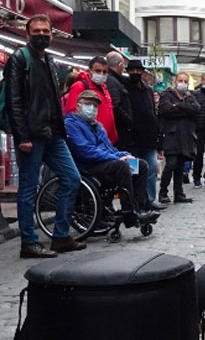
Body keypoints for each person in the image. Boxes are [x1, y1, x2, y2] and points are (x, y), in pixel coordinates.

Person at [6, 14, 84, 258]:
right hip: (31, 134)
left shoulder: (50, 61)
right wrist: (22, 136)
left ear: (52, 34)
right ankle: (28, 242)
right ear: (28, 34)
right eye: (37, 30)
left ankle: (60, 235)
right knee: (28, 188)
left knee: (72, 178)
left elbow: (52, 98)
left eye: (46, 31)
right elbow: (14, 100)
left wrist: (61, 130)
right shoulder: (20, 58)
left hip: (53, 134)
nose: (42, 35)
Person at [65, 90, 159, 226]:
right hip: (87, 166)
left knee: (140, 165)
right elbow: (85, 151)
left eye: (95, 106)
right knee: (121, 166)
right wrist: (115, 159)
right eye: (88, 104)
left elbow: (109, 149)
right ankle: (129, 212)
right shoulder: (71, 124)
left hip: (102, 162)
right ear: (78, 106)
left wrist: (123, 155)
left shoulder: (97, 126)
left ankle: (139, 208)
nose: (91, 108)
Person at [125, 60, 164, 210]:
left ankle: (149, 199)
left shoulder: (147, 90)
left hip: (148, 139)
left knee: (151, 168)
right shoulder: (125, 88)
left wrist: (157, 136)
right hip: (132, 140)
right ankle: (135, 201)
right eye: (132, 70)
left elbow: (152, 113)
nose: (135, 72)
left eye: (138, 70)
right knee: (133, 171)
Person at [158, 72, 200, 204]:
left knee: (180, 165)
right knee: (171, 164)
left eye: (185, 81)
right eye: (180, 80)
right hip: (171, 135)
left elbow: (196, 110)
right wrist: (183, 109)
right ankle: (163, 192)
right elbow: (166, 110)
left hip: (186, 136)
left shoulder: (190, 97)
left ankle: (179, 193)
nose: (183, 83)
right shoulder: (167, 95)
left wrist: (179, 107)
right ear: (175, 81)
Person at [63, 56, 118, 145]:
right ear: (89, 71)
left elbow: (109, 113)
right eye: (98, 71)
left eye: (104, 72)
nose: (101, 74)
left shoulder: (104, 89)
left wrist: (113, 138)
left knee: (131, 159)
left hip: (104, 142)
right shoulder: (79, 86)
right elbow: (71, 112)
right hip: (89, 142)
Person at [106, 52, 134, 152]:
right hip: (120, 132)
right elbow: (115, 106)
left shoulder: (115, 80)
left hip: (119, 130)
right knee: (125, 160)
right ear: (120, 65)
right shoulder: (112, 81)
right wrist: (128, 120)